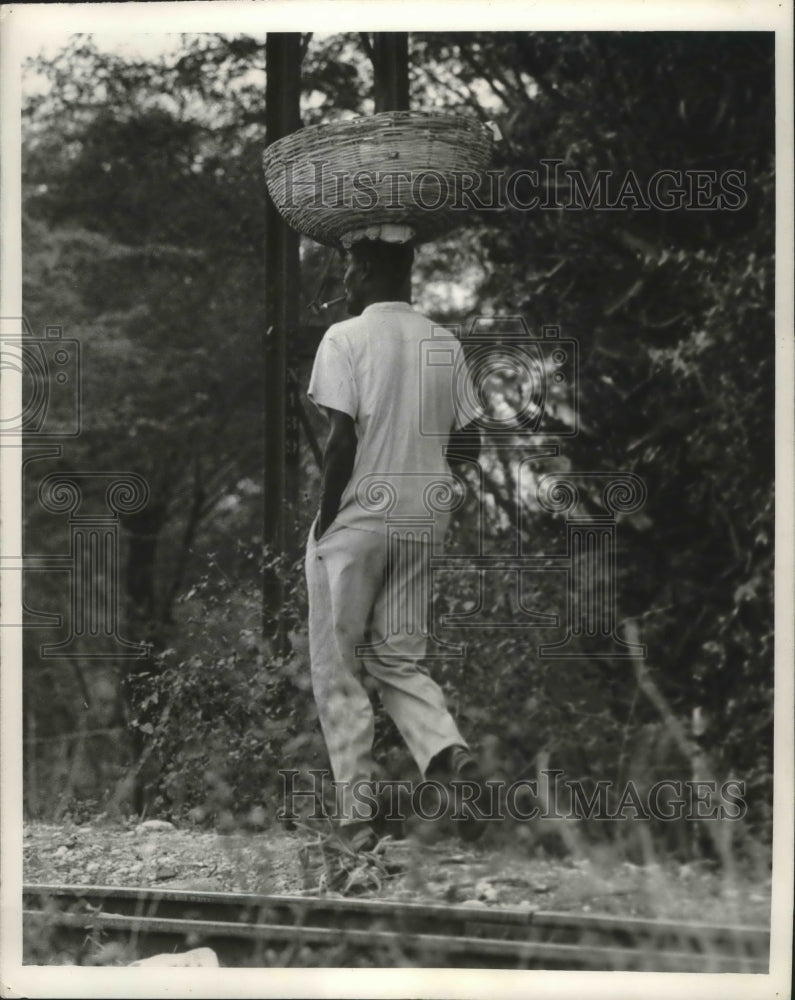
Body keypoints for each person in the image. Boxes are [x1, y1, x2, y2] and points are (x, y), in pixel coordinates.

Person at [305, 238, 484, 852]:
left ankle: (354, 821)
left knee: (339, 669)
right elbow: (470, 443)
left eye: (348, 268)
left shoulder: (343, 337)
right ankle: (448, 753)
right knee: (398, 660)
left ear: (364, 270)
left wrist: (326, 522)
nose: (344, 280)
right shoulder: (445, 343)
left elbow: (340, 442)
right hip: (422, 520)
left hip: (357, 522)